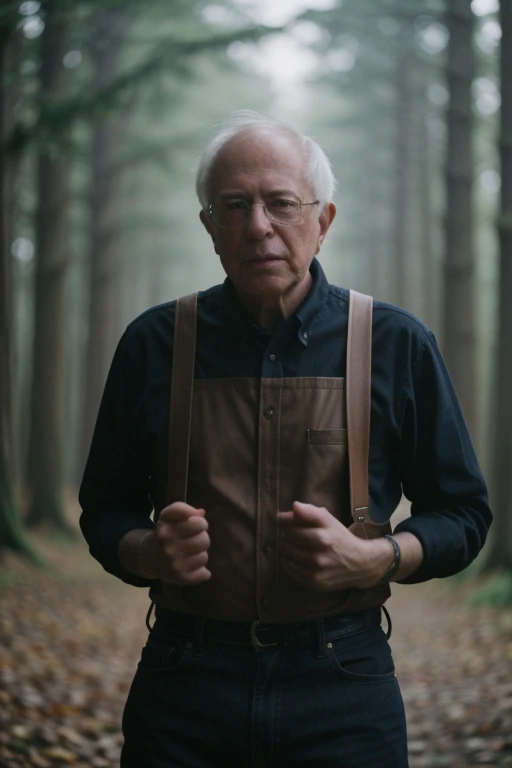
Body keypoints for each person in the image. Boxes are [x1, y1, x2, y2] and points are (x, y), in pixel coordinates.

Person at [79, 110, 492, 768]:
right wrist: (147, 550)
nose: (258, 226)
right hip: (185, 682)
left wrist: (380, 557)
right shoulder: (153, 345)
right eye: (234, 206)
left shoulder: (395, 342)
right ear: (210, 226)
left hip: (344, 683)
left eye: (281, 203)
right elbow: (103, 511)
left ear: (323, 220)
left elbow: (465, 515)